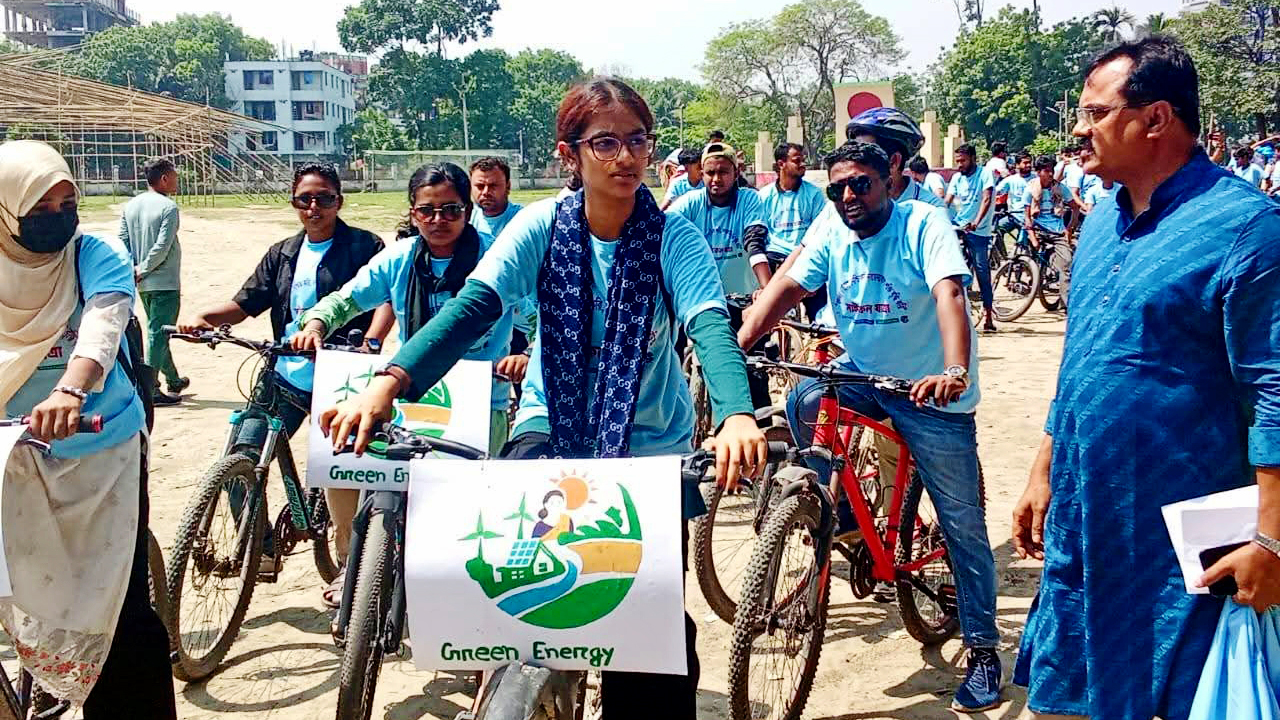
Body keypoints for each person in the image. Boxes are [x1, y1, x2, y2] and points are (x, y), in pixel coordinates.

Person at [320, 77, 767, 720]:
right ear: (569, 155)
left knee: (651, 632)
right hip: (546, 425)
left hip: (648, 445)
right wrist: (389, 383)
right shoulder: (539, 228)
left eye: (637, 140)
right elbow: (475, 308)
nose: (625, 157)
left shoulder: (674, 237)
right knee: (509, 584)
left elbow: (709, 327)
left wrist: (736, 414)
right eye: (605, 142)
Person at [1012, 36, 1280, 720]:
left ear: (1156, 118)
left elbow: (1274, 393)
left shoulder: (1246, 229)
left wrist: (1272, 538)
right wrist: (1044, 467)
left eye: (1095, 113)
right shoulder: (1103, 220)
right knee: (1078, 694)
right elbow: (1081, 358)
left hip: (1185, 538)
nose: (1078, 130)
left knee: (1186, 697)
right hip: (1088, 517)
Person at [739, 140, 1000, 714]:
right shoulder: (832, 225)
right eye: (837, 187)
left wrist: (954, 370)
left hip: (931, 389)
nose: (848, 196)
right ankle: (846, 517)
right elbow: (787, 286)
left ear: (890, 180)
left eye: (861, 184)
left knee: (962, 525)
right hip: (865, 372)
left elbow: (950, 292)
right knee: (805, 396)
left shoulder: (922, 223)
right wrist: (739, 346)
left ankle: (983, 649)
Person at [0, 140, 176, 718]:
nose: (58, 218)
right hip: (10, 451)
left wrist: (70, 390)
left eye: (67, 204)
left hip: (102, 449)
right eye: (39, 208)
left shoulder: (95, 254)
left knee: (120, 612)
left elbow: (105, 321)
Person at [178, 162, 392, 583]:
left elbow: (384, 297)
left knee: (345, 472)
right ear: (294, 203)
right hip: (285, 375)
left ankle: (351, 571)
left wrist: (371, 341)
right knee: (241, 455)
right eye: (304, 199)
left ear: (339, 201)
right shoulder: (283, 253)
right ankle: (261, 550)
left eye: (324, 198)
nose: (314, 207)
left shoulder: (365, 246)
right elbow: (246, 304)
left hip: (342, 375)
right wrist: (204, 319)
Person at [294, 162, 520, 457]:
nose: (438, 220)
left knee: (472, 485)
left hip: (483, 403)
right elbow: (344, 301)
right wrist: (315, 326)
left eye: (451, 210)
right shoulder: (398, 259)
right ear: (414, 214)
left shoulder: (498, 260)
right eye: (427, 211)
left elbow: (539, 315)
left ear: (467, 211)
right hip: (412, 397)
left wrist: (525, 355)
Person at [669, 142, 773, 410]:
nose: (716, 179)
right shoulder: (690, 203)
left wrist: (767, 291)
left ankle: (760, 421)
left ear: (736, 172)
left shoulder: (749, 200)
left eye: (724, 172)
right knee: (676, 356)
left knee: (753, 368)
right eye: (710, 172)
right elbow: (663, 233)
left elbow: (754, 243)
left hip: (743, 299)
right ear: (701, 174)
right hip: (702, 299)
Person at [119, 157, 187, 405]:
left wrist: (133, 269)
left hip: (142, 282)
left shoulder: (131, 206)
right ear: (164, 178)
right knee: (159, 334)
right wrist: (145, 268)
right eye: (175, 176)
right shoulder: (169, 207)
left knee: (158, 331)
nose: (177, 181)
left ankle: (174, 379)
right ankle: (150, 389)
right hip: (164, 281)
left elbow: (122, 241)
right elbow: (162, 246)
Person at [945, 143, 998, 332]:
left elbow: (987, 198)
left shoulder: (985, 174)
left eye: (963, 160)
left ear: (973, 158)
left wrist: (976, 221)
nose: (959, 164)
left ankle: (988, 315)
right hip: (958, 226)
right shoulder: (956, 178)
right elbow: (947, 201)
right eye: (957, 161)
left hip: (978, 230)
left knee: (982, 270)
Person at [757, 142, 825, 270]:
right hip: (774, 256)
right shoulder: (764, 196)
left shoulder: (814, 194)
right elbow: (760, 234)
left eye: (803, 160)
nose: (803, 164)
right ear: (781, 164)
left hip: (804, 257)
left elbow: (820, 232)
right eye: (797, 161)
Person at [469, 156, 523, 239]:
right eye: (480, 186)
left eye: (493, 186)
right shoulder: (465, 220)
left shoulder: (523, 219)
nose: (486, 192)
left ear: (508, 187)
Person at [995, 152, 1033, 242]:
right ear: (1017, 165)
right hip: (1013, 216)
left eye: (1029, 162)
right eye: (1025, 163)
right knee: (995, 230)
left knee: (1022, 242)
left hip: (1030, 217)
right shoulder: (1010, 179)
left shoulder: (1036, 179)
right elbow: (996, 192)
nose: (1028, 165)